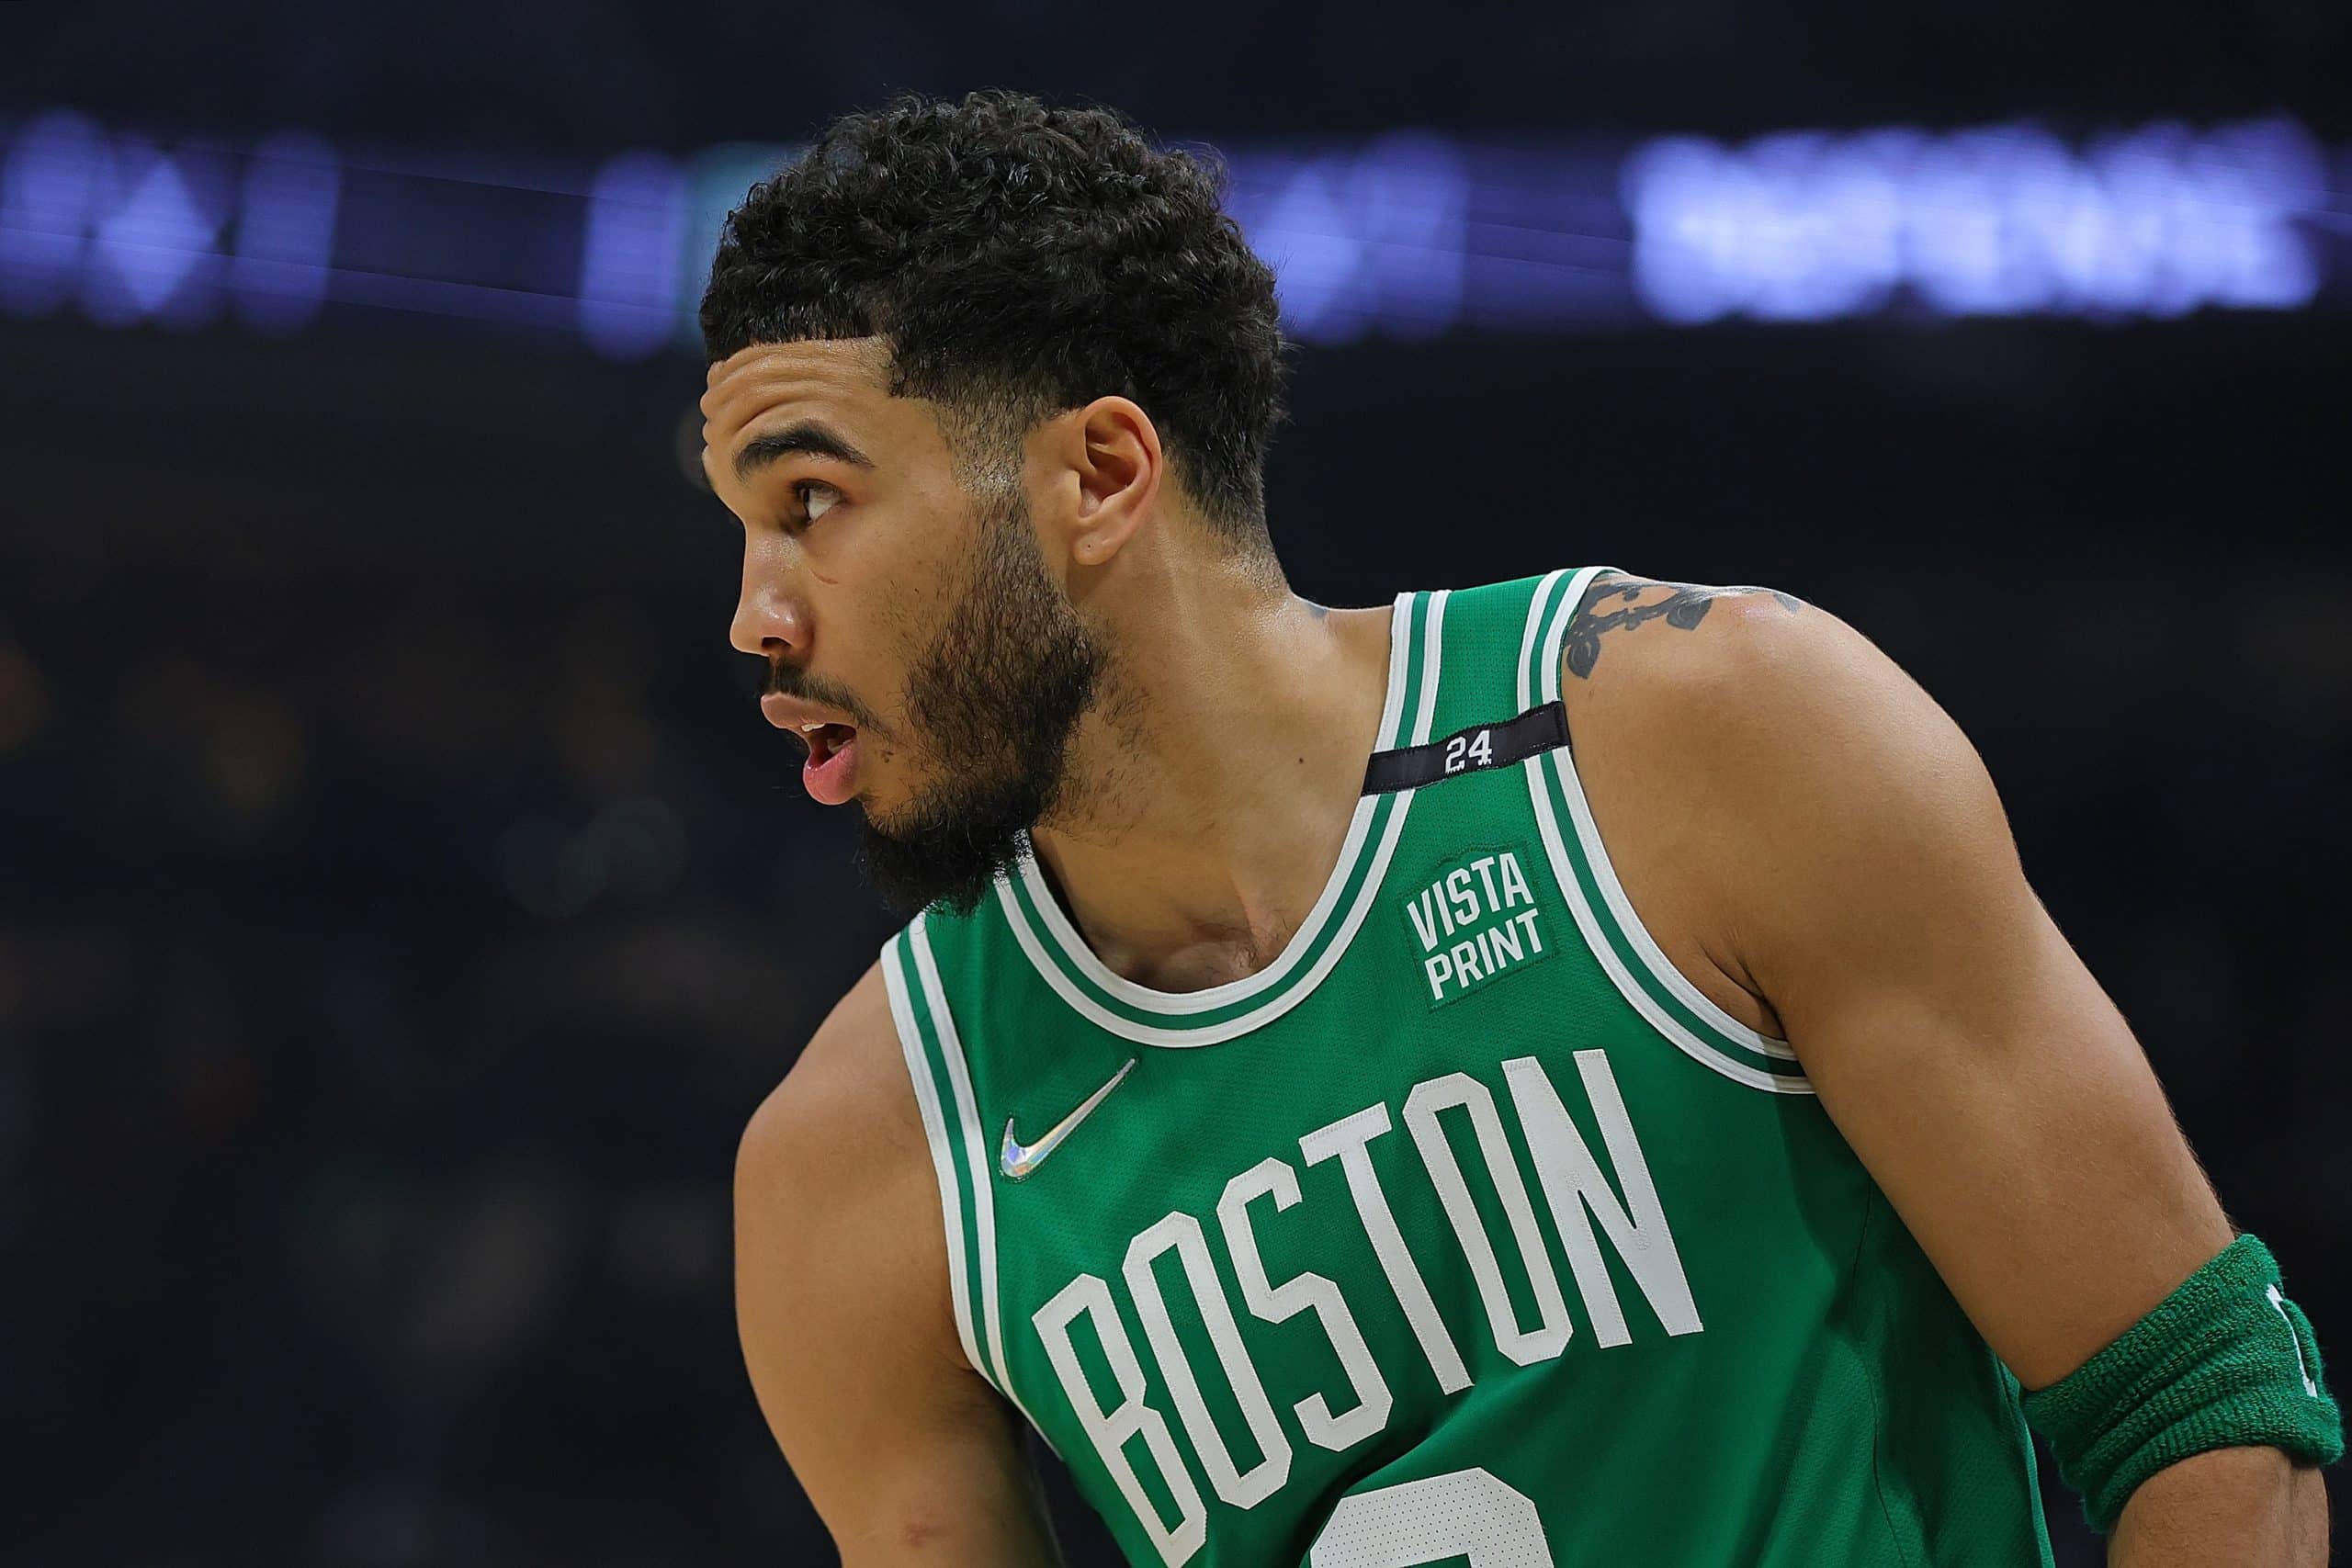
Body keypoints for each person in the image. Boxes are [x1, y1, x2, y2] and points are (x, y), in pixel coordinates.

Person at [704, 91, 2338, 1566]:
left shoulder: (1706, 736)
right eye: (746, 529)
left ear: (1103, 473)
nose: (755, 615)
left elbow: (2203, 1413)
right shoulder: (860, 1167)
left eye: (814, 504)